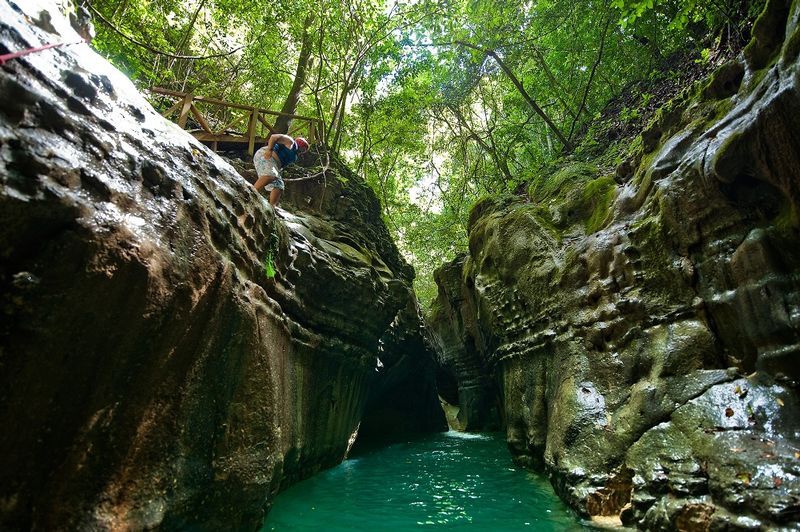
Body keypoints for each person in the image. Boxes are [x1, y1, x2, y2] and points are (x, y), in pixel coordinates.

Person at [253, 134, 310, 205]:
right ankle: (251, 192)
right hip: (266, 155)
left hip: (274, 164)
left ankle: (272, 207)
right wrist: (269, 150)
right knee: (270, 175)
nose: (303, 151)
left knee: (279, 185)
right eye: (304, 148)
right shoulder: (291, 142)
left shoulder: (294, 156)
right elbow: (274, 137)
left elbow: (282, 163)